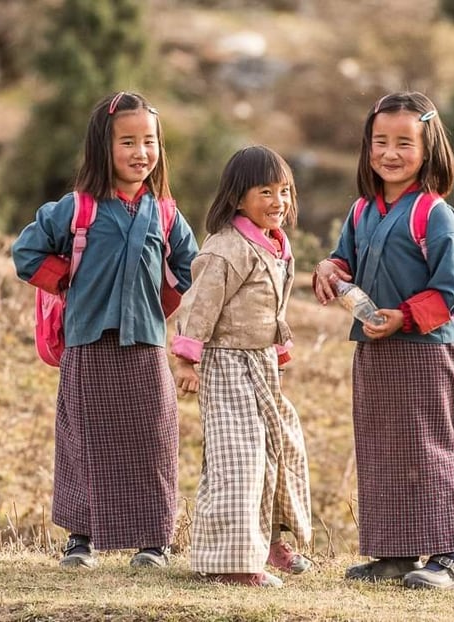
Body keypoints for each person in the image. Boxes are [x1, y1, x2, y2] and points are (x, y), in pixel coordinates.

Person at [12, 91, 199, 569]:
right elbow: (26, 253)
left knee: (153, 438)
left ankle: (153, 542)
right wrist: (69, 285)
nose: (141, 152)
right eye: (128, 142)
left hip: (146, 344)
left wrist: (159, 306)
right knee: (84, 439)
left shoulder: (165, 213)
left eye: (150, 141)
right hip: (87, 340)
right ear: (102, 147)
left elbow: (190, 268)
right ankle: (81, 539)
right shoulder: (76, 209)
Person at [313, 91, 454, 590]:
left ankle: (447, 559)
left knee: (431, 449)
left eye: (404, 142)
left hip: (427, 352)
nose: (390, 153)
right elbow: (345, 260)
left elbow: (453, 288)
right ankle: (396, 554)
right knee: (383, 450)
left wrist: (403, 318)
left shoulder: (435, 214)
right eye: (379, 141)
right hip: (374, 352)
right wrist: (329, 269)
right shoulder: (362, 210)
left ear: (429, 150)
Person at [172, 145, 313, 588]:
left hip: (262, 363)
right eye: (265, 192)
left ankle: (265, 540)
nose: (278, 201)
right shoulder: (226, 248)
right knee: (240, 460)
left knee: (277, 450)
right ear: (237, 198)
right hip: (227, 363)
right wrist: (186, 359)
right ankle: (231, 562)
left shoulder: (276, 245)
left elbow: (272, 306)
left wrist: (279, 350)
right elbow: (199, 305)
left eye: (285, 191)